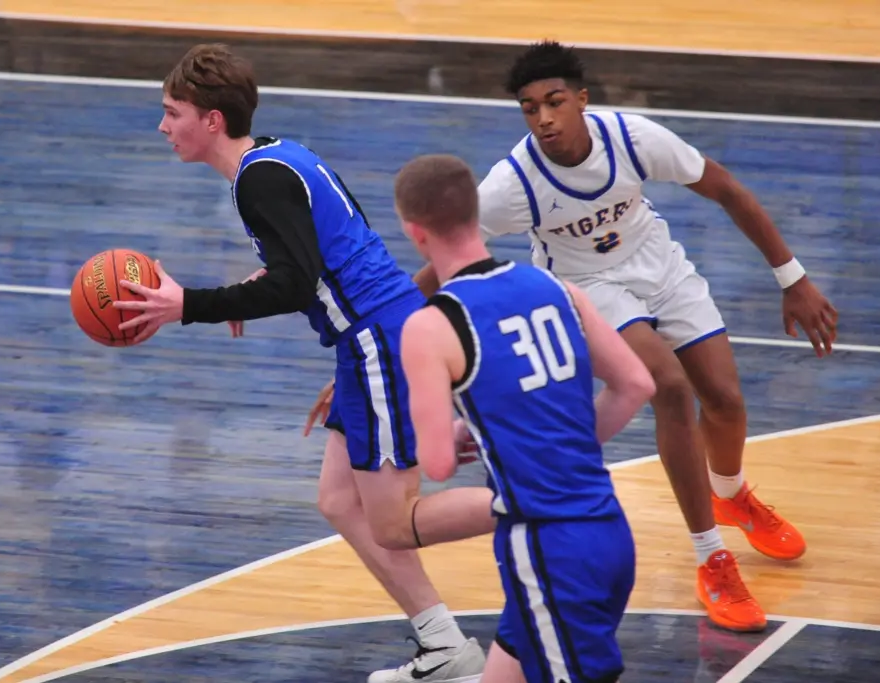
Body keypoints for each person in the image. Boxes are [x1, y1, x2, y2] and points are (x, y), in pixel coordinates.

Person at [406, 40, 838, 632]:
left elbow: (727, 190)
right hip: (589, 289)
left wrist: (794, 279)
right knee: (669, 388)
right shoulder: (512, 184)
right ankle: (710, 556)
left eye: (555, 102)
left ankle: (730, 493)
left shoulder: (632, 138)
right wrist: (375, 346)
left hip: (660, 266)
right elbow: (441, 260)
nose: (544, 118)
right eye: (530, 109)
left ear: (581, 99)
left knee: (725, 400)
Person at [112, 43, 491, 682]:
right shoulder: (281, 154)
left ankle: (534, 500)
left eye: (172, 112)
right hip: (371, 340)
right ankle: (445, 645)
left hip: (380, 340)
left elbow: (295, 283)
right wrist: (299, 316)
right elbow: (330, 251)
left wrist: (190, 305)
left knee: (395, 522)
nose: (162, 126)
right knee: (339, 500)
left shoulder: (257, 181)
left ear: (211, 120)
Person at [395, 153, 656, 682]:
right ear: (475, 214)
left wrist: (463, 431)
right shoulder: (557, 288)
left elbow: (437, 463)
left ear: (414, 232)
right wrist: (548, 439)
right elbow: (636, 384)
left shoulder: (429, 326)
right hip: (608, 534)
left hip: (546, 547)